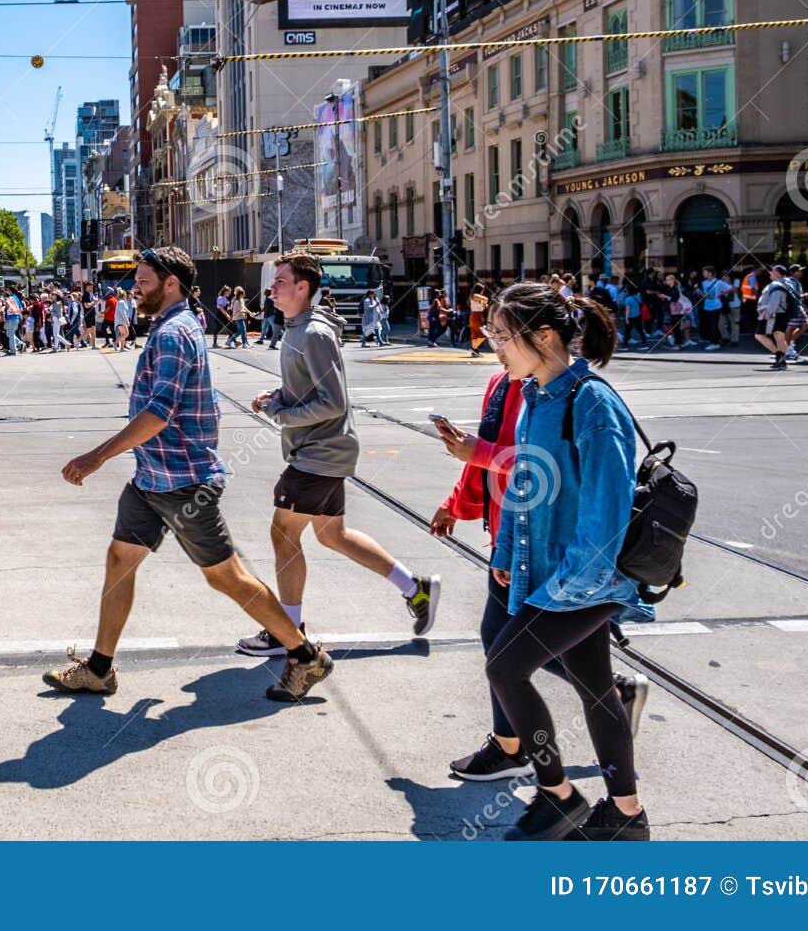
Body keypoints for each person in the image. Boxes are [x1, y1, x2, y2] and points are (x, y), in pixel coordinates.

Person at [46, 246, 333, 703]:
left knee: (226, 576)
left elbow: (160, 412)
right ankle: (100, 668)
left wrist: (96, 457)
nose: (135, 288)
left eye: (142, 281)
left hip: (183, 481)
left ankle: (304, 655)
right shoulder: (168, 327)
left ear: (171, 283)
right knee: (121, 560)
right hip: (152, 476)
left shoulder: (175, 333)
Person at [476, 282, 652, 840]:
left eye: (502, 337)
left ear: (543, 336)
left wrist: (572, 586)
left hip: (584, 580)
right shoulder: (534, 396)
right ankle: (626, 813)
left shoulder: (591, 401)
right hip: (544, 570)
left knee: (505, 667)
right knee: (596, 688)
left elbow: (608, 508)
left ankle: (559, 795)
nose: (494, 347)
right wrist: (506, 552)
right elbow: (526, 486)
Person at [432, 363, 650, 784]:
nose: (496, 342)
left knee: (505, 657)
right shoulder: (510, 385)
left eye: (504, 332)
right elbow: (506, 466)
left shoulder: (571, 396)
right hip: (515, 538)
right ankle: (608, 801)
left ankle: (544, 780)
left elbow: (542, 471)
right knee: (517, 650)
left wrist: (582, 578)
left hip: (554, 553)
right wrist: (460, 501)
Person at [237, 252, 440, 657]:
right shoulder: (298, 329)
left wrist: (280, 411)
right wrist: (278, 396)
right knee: (333, 535)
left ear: (302, 287)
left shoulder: (313, 333)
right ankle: (414, 589)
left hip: (319, 451)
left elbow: (334, 401)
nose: (272, 287)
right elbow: (311, 389)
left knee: (283, 533)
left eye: (280, 281)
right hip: (321, 449)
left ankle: (288, 631)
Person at [754, 264, 798, 370]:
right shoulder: (786, 283)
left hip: (774, 314)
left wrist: (767, 314)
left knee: (760, 335)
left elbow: (774, 301)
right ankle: (781, 360)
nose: (770, 272)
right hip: (780, 314)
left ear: (777, 272)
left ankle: (779, 356)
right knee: (779, 337)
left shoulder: (777, 285)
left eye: (772, 271)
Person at [468, 283, 489, 357]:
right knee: (482, 335)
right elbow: (486, 299)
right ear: (479, 290)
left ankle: (475, 352)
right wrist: (484, 304)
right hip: (476, 316)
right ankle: (473, 348)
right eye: (482, 290)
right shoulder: (475, 295)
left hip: (476, 316)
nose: (483, 292)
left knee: (475, 335)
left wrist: (484, 304)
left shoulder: (475, 297)